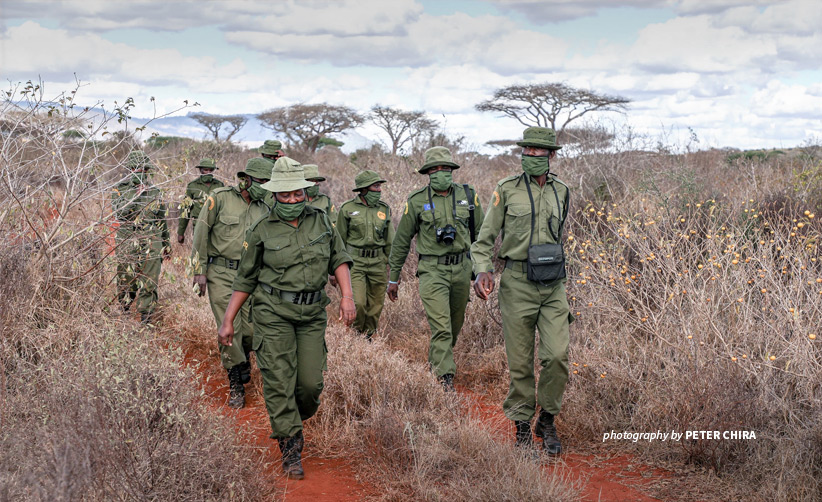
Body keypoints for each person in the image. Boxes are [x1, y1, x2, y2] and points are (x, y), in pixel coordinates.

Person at [218, 157, 356, 480]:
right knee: (279, 381)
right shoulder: (261, 229)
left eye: (298, 194)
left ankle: (292, 418)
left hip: (311, 314)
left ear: (306, 192)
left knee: (308, 386)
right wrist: (228, 320)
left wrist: (347, 296)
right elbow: (245, 279)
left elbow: (339, 258)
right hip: (273, 313)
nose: (292, 200)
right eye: (285, 195)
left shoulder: (322, 221)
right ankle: (290, 446)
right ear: (275, 194)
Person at [470, 127, 572, 455]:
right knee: (521, 361)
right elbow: (485, 237)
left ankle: (548, 418)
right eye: (525, 153)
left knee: (556, 356)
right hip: (517, 283)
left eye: (537, 154)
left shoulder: (562, 191)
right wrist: (483, 270)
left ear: (551, 155)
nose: (530, 158)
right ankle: (521, 427)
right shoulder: (506, 190)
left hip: (554, 284)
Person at [387, 146, 483, 391]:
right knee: (441, 326)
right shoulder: (417, 200)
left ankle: (436, 363)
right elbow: (401, 241)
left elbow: (483, 235)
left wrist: (482, 269)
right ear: (428, 173)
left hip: (462, 267)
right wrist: (394, 278)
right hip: (432, 270)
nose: (442, 173)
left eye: (446, 168)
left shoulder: (468, 195)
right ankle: (445, 379)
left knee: (454, 324)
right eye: (436, 169)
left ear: (452, 170)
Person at [190, 157, 272, 408]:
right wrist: (199, 271)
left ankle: (243, 357)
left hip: (253, 276)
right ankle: (235, 381)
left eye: (267, 182)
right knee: (230, 327)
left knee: (250, 329)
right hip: (222, 273)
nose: (264, 186)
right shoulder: (219, 197)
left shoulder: (266, 206)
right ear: (245, 179)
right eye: (260, 181)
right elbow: (200, 233)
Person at [111, 150, 170, 323]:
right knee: (126, 279)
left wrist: (166, 243)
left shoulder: (155, 192)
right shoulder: (119, 190)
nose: (141, 173)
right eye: (136, 169)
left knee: (150, 280)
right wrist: (136, 194)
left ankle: (146, 320)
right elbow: (119, 214)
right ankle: (124, 312)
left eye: (144, 170)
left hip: (152, 238)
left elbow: (161, 219)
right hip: (127, 237)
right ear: (129, 170)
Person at [336, 170, 393, 339]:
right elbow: (339, 240)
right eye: (376, 186)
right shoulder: (347, 209)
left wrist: (393, 267)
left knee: (376, 304)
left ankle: (368, 336)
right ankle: (355, 334)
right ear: (364, 189)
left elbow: (390, 240)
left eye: (380, 186)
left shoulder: (384, 209)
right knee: (358, 303)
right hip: (355, 262)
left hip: (378, 261)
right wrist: (335, 269)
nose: (379, 190)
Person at [177, 158, 225, 244]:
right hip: (199, 224)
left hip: (216, 225)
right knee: (199, 250)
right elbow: (185, 209)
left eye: (210, 170)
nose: (208, 172)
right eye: (205, 170)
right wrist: (181, 232)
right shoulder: (192, 186)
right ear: (200, 170)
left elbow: (225, 207)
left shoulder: (219, 185)